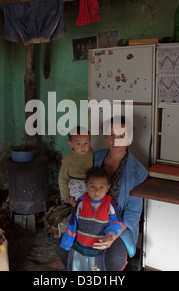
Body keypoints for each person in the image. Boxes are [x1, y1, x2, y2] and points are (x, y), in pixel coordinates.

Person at [56, 116, 148, 271]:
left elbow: (132, 212)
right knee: (62, 247)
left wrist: (112, 236)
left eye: (121, 136)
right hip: (88, 219)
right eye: (110, 135)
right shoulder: (95, 157)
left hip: (116, 226)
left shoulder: (138, 172)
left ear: (130, 138)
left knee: (113, 258)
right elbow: (78, 177)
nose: (115, 141)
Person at [59, 167, 123, 271]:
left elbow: (116, 221)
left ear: (108, 187)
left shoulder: (109, 203)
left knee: (95, 269)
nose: (97, 191)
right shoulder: (81, 202)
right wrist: (67, 242)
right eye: (92, 186)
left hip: (97, 248)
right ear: (86, 185)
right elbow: (72, 223)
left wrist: (112, 232)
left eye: (101, 187)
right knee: (78, 268)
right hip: (79, 246)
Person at [58, 126, 94, 207]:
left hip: (90, 183)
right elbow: (62, 177)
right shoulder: (68, 159)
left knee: (92, 205)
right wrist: (65, 194)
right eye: (78, 143)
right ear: (70, 144)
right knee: (80, 206)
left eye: (86, 143)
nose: (83, 147)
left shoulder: (91, 153)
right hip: (76, 186)